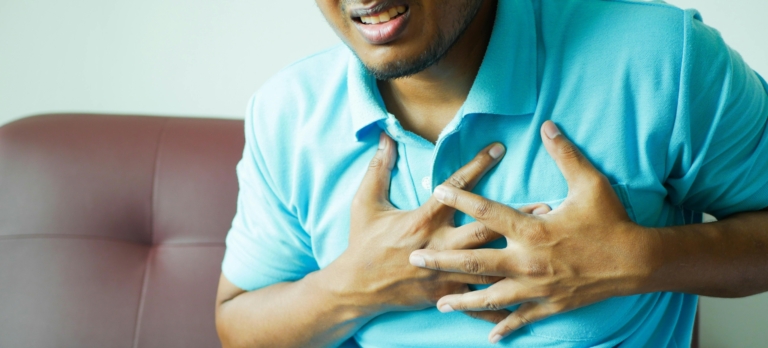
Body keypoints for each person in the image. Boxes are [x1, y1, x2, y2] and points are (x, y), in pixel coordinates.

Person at [214, 0, 768, 346]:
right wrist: (353, 288)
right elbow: (238, 325)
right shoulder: (284, 112)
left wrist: (636, 260)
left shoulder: (664, 57)